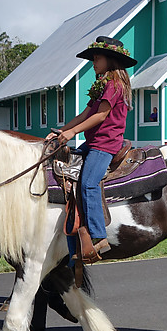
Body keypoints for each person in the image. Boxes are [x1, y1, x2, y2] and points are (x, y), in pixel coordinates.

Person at [46, 36, 136, 259]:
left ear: (111, 60)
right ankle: (73, 235)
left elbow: (101, 115)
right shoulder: (101, 86)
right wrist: (61, 131)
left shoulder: (115, 85)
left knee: (88, 183)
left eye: (97, 58)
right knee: (67, 175)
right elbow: (85, 114)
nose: (93, 62)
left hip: (106, 144)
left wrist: (73, 133)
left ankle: (98, 236)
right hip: (93, 143)